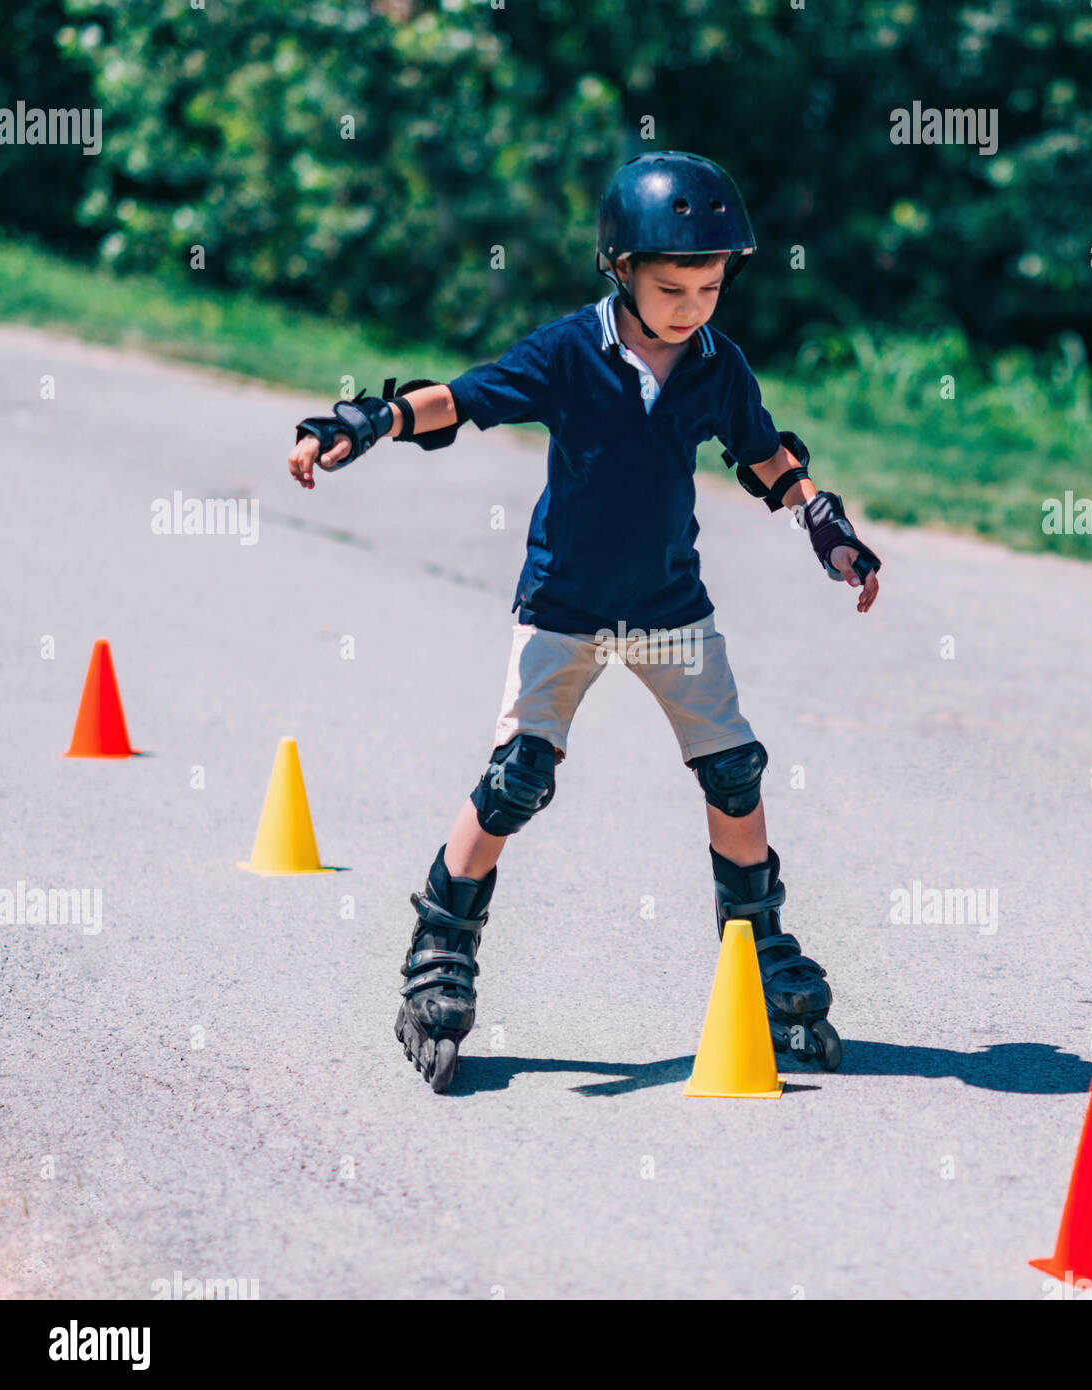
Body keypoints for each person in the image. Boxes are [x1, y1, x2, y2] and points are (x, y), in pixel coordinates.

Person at [287, 151, 882, 1092]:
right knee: (519, 776)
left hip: (668, 604)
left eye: (712, 285)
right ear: (621, 270)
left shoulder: (717, 366)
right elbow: (467, 398)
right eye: (672, 284)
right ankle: (442, 943)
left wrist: (825, 525)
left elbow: (764, 454)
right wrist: (367, 424)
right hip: (564, 604)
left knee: (733, 771)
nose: (692, 304)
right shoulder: (571, 351)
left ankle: (760, 950)